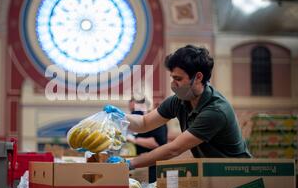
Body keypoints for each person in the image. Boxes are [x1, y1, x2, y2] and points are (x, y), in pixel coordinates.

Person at [107, 45, 251, 170]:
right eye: (172, 78)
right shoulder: (179, 101)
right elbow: (144, 123)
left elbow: (174, 149)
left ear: (198, 77)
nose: (173, 84)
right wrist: (119, 118)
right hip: (213, 171)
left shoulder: (215, 111)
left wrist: (130, 163)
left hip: (237, 173)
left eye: (178, 79)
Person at [127, 96, 167, 183]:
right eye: (132, 110)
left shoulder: (156, 122)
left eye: (135, 109)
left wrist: (133, 139)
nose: (134, 113)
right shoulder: (134, 123)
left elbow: (156, 143)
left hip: (152, 166)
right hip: (138, 165)